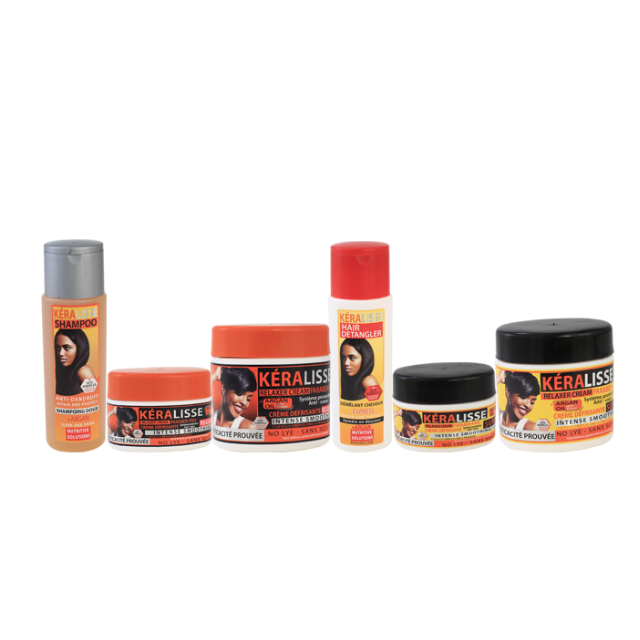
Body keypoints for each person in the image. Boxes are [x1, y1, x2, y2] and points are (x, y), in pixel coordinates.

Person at [54, 329, 96, 396]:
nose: (61, 353)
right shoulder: (63, 372)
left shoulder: (84, 371)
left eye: (67, 348)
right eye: (58, 348)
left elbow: (92, 397)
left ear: (80, 348)